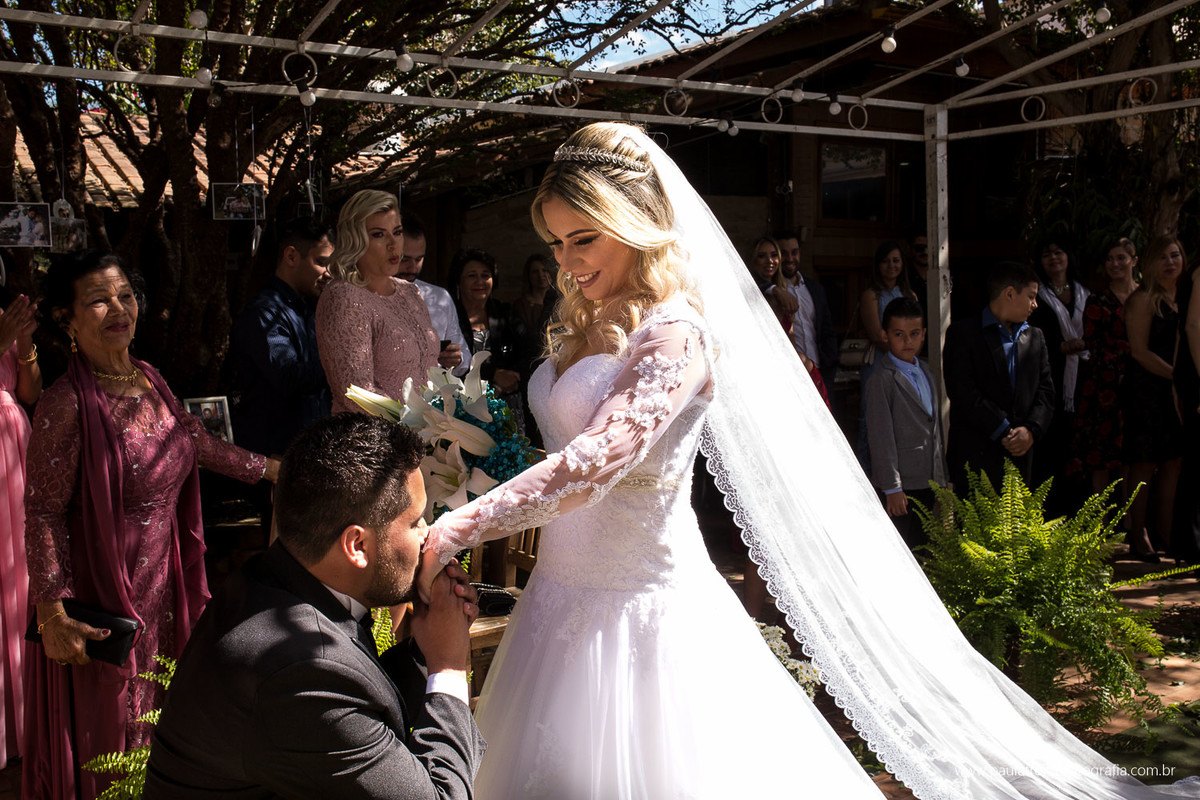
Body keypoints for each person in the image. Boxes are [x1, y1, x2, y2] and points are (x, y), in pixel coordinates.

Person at [418, 123, 1200, 800]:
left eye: (583, 238)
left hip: (641, 614)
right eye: (556, 242)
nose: (567, 260)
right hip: (558, 603)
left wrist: (459, 524)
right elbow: (557, 444)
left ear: (636, 223)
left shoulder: (677, 332)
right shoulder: (580, 316)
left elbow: (593, 464)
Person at [22, 251, 280, 800]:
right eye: (98, 299)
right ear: (66, 318)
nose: (118, 309)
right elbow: (42, 511)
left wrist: (275, 470)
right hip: (104, 589)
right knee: (114, 725)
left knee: (167, 709)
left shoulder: (148, 378)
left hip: (166, 584)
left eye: (125, 296)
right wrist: (52, 612)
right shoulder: (63, 403)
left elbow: (194, 441)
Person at [144, 414, 485, 798]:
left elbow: (363, 699)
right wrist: (450, 666)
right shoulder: (303, 670)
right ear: (356, 545)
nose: (430, 536)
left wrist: (427, 645)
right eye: (415, 522)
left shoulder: (271, 576)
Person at [316, 190, 439, 414]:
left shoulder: (410, 292)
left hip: (428, 438)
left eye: (397, 232)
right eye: (378, 235)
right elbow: (358, 395)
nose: (394, 244)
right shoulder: (344, 297)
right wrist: (421, 427)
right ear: (355, 239)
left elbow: (429, 372)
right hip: (375, 442)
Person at [944, 260, 1055, 489]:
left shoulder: (1036, 337)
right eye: (1031, 296)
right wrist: (1003, 430)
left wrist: (1031, 431)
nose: (1035, 304)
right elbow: (962, 390)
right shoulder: (963, 334)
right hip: (976, 453)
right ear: (1010, 293)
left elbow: (1046, 392)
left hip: (1022, 454)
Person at [232, 217, 334, 458]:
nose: (329, 274)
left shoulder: (310, 308)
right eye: (321, 263)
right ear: (291, 256)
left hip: (309, 451)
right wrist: (343, 364)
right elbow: (289, 377)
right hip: (276, 456)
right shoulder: (265, 312)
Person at [1122, 235, 1186, 562]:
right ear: (1149, 263)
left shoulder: (1187, 297)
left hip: (1180, 393)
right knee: (1144, 464)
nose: (1170, 262)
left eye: (1175, 255)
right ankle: (1138, 533)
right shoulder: (1142, 300)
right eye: (1162, 257)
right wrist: (1178, 375)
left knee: (1174, 462)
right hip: (1148, 390)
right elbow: (1139, 351)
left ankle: (1168, 531)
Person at [863, 297, 946, 549]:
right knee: (902, 548)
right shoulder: (881, 380)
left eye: (914, 334)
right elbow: (881, 437)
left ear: (924, 334)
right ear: (885, 335)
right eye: (899, 334)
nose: (907, 341)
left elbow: (934, 429)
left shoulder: (928, 372)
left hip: (927, 480)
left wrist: (940, 479)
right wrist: (892, 487)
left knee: (923, 548)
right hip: (901, 486)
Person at [0, 290, 41, 770]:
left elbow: (29, 392)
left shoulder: (5, 317)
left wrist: (25, 344)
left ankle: (26, 721)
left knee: (21, 581)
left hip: (15, 442)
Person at [1072, 237, 1138, 499]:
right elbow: (1094, 344)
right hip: (1104, 385)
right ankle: (1099, 526)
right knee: (1100, 456)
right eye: (1109, 259)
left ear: (1134, 260)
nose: (1115, 264)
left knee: (1133, 456)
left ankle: (1132, 522)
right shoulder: (1097, 301)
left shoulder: (1145, 295)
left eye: (1121, 258)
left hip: (1141, 383)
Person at [1029, 239, 1090, 510]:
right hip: (1051, 378)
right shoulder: (1036, 296)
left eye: (1059, 252)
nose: (1053, 258)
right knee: (1052, 449)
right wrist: (1061, 347)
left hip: (1083, 379)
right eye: (1047, 254)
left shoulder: (1084, 292)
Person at [448, 247, 528, 418]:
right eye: (472, 276)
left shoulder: (506, 313)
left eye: (485, 275)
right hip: (464, 406)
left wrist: (510, 378)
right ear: (459, 280)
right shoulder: (449, 315)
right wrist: (493, 375)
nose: (480, 281)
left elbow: (527, 351)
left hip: (506, 406)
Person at [398, 212, 467, 374]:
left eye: (419, 259)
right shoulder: (369, 296)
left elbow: (463, 357)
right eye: (405, 259)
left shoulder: (440, 297)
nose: (413, 268)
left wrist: (457, 359)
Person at [777, 229, 838, 389]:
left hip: (819, 373)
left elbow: (827, 330)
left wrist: (830, 364)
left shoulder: (815, 289)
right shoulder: (771, 290)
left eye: (794, 252)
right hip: (787, 376)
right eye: (784, 253)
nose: (790, 258)